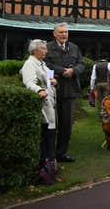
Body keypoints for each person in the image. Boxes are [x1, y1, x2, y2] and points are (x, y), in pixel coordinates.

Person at [44, 22, 84, 163]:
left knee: (66, 125)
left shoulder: (74, 47)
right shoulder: (47, 48)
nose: (64, 34)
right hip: (53, 91)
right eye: (61, 32)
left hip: (70, 91)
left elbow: (81, 64)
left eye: (66, 32)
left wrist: (73, 71)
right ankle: (49, 154)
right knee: (51, 124)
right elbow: (46, 65)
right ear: (54, 34)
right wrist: (62, 71)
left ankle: (61, 154)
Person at [20, 39, 58, 181]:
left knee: (50, 137)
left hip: (51, 104)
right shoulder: (29, 64)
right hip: (43, 105)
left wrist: (54, 81)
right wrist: (39, 89)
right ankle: (45, 171)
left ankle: (50, 168)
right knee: (45, 137)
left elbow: (50, 80)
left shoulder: (43, 64)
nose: (46, 51)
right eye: (43, 48)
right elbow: (29, 82)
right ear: (35, 50)